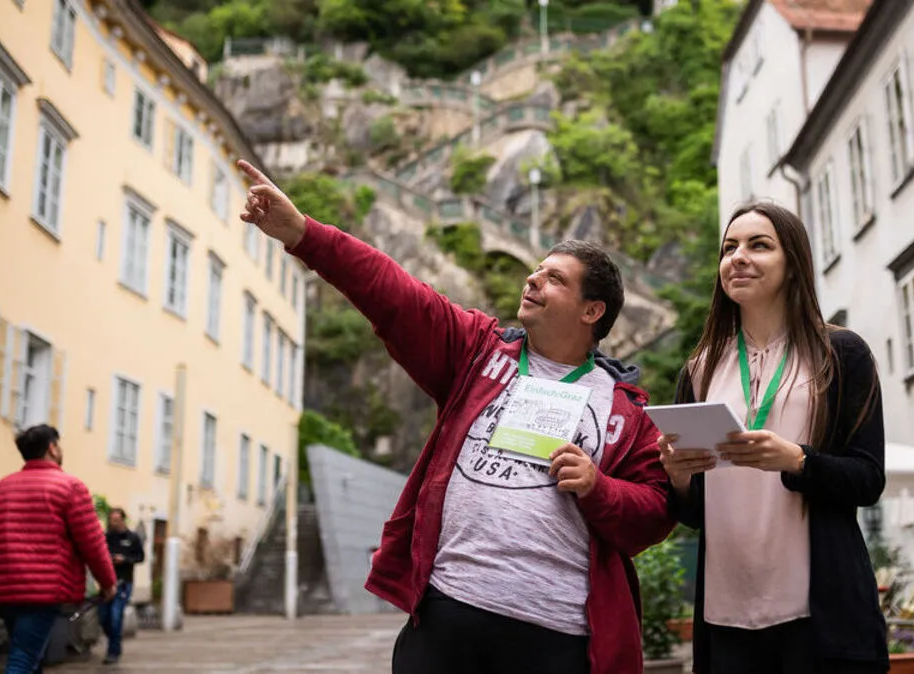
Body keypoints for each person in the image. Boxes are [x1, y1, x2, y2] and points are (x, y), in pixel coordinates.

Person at [236, 159, 675, 674]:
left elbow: (654, 513)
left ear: (591, 311)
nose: (532, 280)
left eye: (554, 279)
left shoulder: (627, 410)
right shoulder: (476, 352)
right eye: (535, 271)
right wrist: (305, 235)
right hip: (448, 616)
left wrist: (598, 487)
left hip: (557, 635)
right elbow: (394, 293)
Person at [659, 202, 888, 673]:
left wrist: (798, 460)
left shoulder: (841, 352)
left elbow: (868, 480)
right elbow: (695, 512)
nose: (738, 257)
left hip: (817, 613)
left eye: (758, 245)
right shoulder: (699, 369)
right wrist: (679, 479)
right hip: (726, 612)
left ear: (793, 265)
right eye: (729, 248)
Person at [0, 425, 117, 674]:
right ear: (52, 447)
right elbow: (91, 541)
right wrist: (108, 581)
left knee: (29, 652)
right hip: (43, 591)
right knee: (23, 657)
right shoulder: (68, 487)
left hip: (4, 590)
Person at [97, 508, 144, 665]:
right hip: (106, 583)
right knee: (103, 617)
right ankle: (115, 642)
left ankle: (113, 652)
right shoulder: (106, 537)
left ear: (123, 520)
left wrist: (125, 559)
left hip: (124, 583)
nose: (114, 523)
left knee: (116, 616)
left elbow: (140, 557)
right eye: (112, 520)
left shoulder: (133, 537)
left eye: (117, 520)